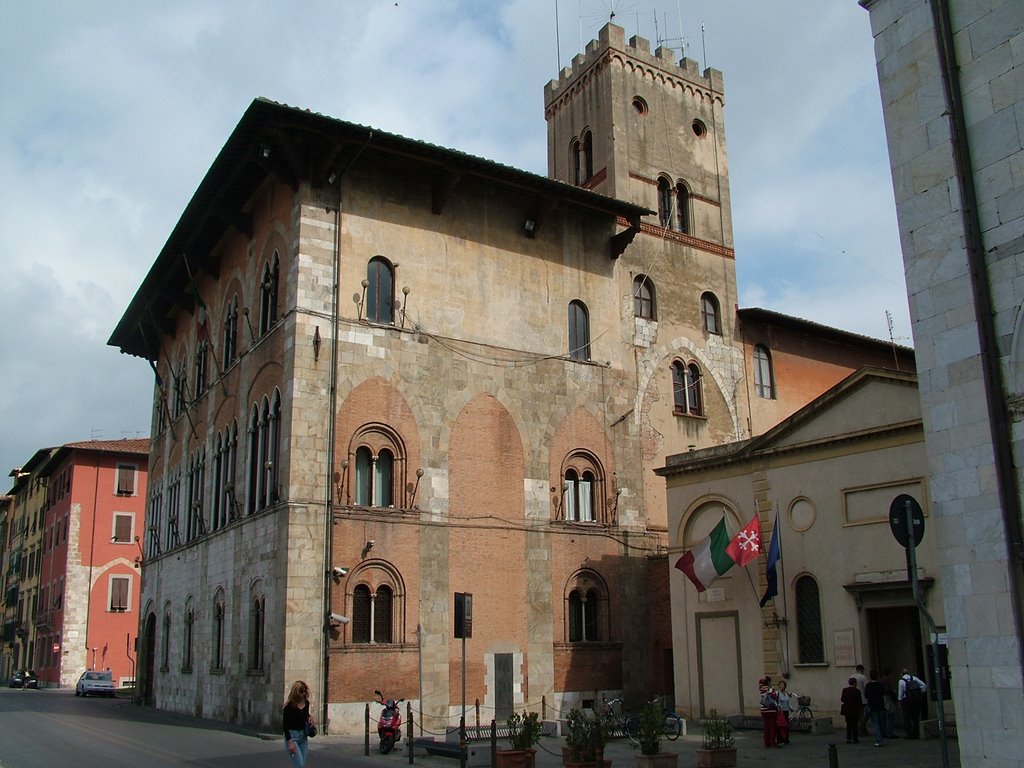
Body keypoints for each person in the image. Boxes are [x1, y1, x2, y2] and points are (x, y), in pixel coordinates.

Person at [283, 680, 315, 767]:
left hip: (303, 737)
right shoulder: (289, 707)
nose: (304, 693)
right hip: (293, 737)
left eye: (305, 691)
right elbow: (285, 726)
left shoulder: (306, 703)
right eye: (301, 691)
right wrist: (290, 741)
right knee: (299, 765)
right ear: (296, 692)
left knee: (301, 764)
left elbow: (305, 716)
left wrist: (310, 717)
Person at [898, 668, 927, 739]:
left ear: (901, 674)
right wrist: (920, 693)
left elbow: (900, 693)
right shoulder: (914, 678)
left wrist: (900, 700)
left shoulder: (901, 681)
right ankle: (916, 733)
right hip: (915, 700)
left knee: (907, 718)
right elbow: (924, 685)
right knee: (915, 717)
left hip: (906, 701)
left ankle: (909, 734)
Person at [864, 670, 887, 747]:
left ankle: (878, 740)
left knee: (876, 723)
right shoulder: (880, 685)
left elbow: (866, 695)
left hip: (872, 706)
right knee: (881, 722)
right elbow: (883, 693)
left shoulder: (868, 685)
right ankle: (881, 736)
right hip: (880, 705)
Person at [840, 677, 862, 744]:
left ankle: (848, 738)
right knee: (855, 724)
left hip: (847, 710)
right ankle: (855, 739)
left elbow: (842, 699)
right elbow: (859, 701)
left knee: (849, 724)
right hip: (855, 710)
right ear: (855, 683)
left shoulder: (845, 690)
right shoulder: (857, 691)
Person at [758, 676, 779, 748]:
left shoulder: (761, 690)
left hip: (763, 709)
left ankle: (766, 742)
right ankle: (772, 742)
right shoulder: (770, 689)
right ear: (768, 682)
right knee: (772, 726)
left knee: (766, 727)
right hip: (771, 710)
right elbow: (775, 696)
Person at [775, 679, 793, 745]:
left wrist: (791, 708)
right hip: (781, 712)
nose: (781, 686)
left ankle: (786, 739)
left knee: (786, 726)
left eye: (783, 684)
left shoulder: (786, 693)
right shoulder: (777, 693)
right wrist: (780, 708)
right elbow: (777, 702)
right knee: (781, 725)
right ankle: (780, 740)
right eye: (780, 684)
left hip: (786, 711)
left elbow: (787, 702)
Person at [852, 663, 869, 736]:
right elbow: (867, 687)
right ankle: (861, 729)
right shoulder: (863, 677)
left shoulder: (852, 676)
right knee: (864, 715)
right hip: (863, 699)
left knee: (857, 715)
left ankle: (862, 729)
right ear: (861, 670)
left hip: (854, 699)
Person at [880, 668, 897, 738]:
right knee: (889, 716)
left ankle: (883, 733)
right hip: (887, 699)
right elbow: (888, 691)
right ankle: (890, 733)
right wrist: (895, 698)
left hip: (882, 699)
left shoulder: (880, 680)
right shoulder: (887, 681)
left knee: (883, 717)